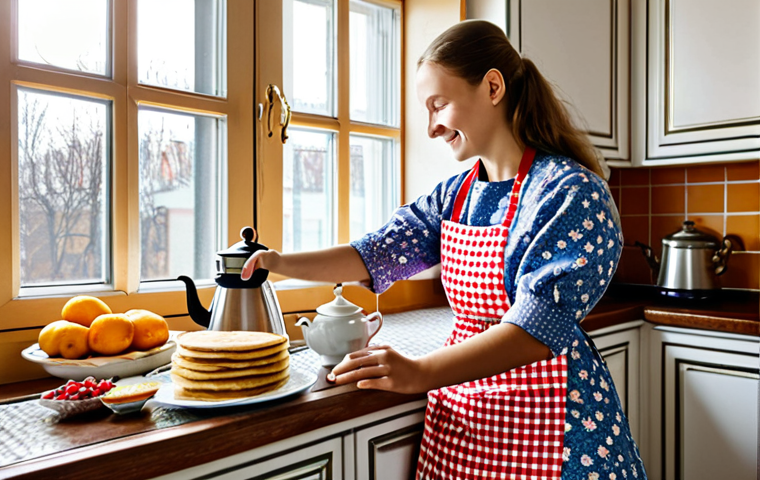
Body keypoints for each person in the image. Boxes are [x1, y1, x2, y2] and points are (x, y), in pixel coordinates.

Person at [242, 19, 647, 480]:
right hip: (466, 422)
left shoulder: (570, 193)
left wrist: (418, 372)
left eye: (439, 105)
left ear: (492, 87)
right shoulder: (456, 195)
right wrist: (277, 264)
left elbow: (533, 329)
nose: (431, 128)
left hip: (558, 430)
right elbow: (376, 253)